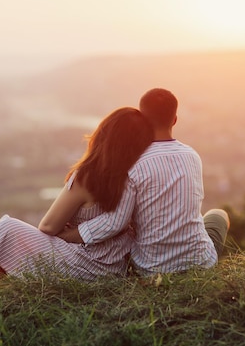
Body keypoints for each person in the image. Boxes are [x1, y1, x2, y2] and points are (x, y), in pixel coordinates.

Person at [0, 107, 153, 292]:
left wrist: (67, 231)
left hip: (87, 266)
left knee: (8, 228)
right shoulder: (137, 176)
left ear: (105, 135)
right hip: (116, 267)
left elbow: (48, 226)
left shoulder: (89, 177)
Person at [58, 88, 230, 275]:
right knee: (218, 214)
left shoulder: (133, 164)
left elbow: (115, 223)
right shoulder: (193, 156)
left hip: (152, 269)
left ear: (142, 121)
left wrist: (67, 235)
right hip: (201, 263)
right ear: (174, 120)